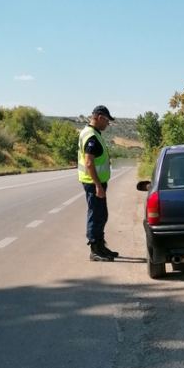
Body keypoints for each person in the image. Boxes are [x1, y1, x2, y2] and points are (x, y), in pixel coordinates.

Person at [78, 105, 119, 262]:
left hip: (96, 182)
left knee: (101, 215)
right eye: (107, 120)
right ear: (100, 117)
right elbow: (89, 163)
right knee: (96, 215)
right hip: (93, 183)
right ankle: (95, 250)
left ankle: (101, 247)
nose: (108, 124)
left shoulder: (93, 133)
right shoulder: (91, 136)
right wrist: (98, 185)